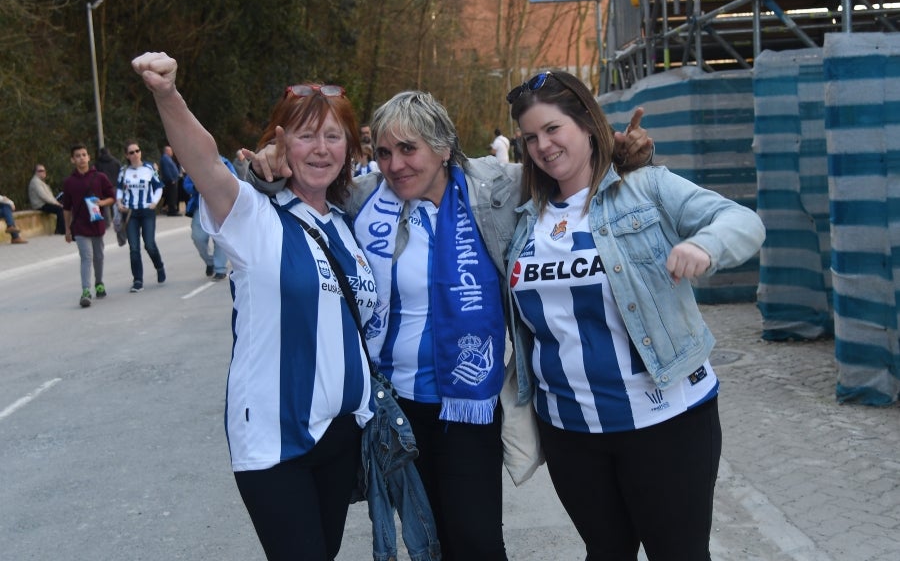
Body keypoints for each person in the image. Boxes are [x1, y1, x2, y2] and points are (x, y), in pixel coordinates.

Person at [251, 90, 653, 561]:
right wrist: (261, 171)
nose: (394, 164)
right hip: (392, 407)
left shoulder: (495, 187)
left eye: (408, 149)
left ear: (443, 147)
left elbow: (566, 170)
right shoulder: (362, 198)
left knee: (478, 541)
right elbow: (294, 188)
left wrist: (623, 157)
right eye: (383, 152)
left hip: (467, 406)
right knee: (427, 539)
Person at [505, 70, 766, 561]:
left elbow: (742, 221)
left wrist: (703, 246)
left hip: (665, 421)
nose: (543, 145)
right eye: (530, 137)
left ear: (587, 124)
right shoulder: (523, 214)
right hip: (569, 431)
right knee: (606, 553)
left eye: (553, 129)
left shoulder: (646, 188)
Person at [132, 51, 378, 561]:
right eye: (305, 135)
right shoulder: (253, 215)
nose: (321, 149)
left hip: (341, 435)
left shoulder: (346, 223)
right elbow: (203, 161)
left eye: (333, 136)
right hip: (273, 440)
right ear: (279, 141)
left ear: (350, 149)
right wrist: (167, 95)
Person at [62, 144, 115, 307]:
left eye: (84, 155)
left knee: (98, 257)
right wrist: (67, 229)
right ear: (73, 160)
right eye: (77, 155)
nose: (81, 158)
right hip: (79, 226)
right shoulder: (69, 182)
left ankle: (99, 283)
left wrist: (101, 202)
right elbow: (66, 208)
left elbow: (112, 197)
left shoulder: (99, 177)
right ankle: (86, 291)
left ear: (89, 157)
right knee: (86, 257)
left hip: (97, 223)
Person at [116, 140, 166, 293]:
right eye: (131, 152)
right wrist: (119, 203)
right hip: (131, 213)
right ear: (127, 155)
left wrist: (154, 202)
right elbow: (119, 190)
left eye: (137, 151)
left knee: (149, 244)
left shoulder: (149, 168)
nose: (135, 154)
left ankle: (159, 266)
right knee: (134, 248)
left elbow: (158, 188)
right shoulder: (124, 171)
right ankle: (137, 280)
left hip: (147, 211)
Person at [183, 155, 237, 280]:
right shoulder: (195, 164)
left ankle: (220, 269)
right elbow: (186, 184)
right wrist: (195, 187)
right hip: (201, 207)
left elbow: (235, 181)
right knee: (198, 237)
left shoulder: (225, 163)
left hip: (221, 205)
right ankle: (210, 262)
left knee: (220, 237)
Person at [28, 164, 66, 235]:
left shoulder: (40, 182)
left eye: (44, 170)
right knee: (60, 209)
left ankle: (59, 229)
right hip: (40, 205)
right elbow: (44, 196)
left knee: (61, 207)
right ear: (36, 172)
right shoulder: (35, 182)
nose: (43, 172)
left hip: (44, 203)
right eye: (41, 171)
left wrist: (56, 203)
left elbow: (49, 196)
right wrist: (56, 203)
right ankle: (61, 230)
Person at [95, 148, 122, 226]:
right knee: (117, 203)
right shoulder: (116, 162)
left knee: (105, 205)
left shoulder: (98, 163)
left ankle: (107, 222)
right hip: (115, 185)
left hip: (103, 187)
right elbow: (121, 172)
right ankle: (118, 220)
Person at [159, 144, 182, 215]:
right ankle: (172, 211)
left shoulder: (168, 158)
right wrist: (171, 179)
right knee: (171, 196)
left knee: (173, 196)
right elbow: (166, 170)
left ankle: (172, 209)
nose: (172, 152)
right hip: (170, 181)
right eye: (171, 151)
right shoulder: (165, 159)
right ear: (167, 151)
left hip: (173, 180)